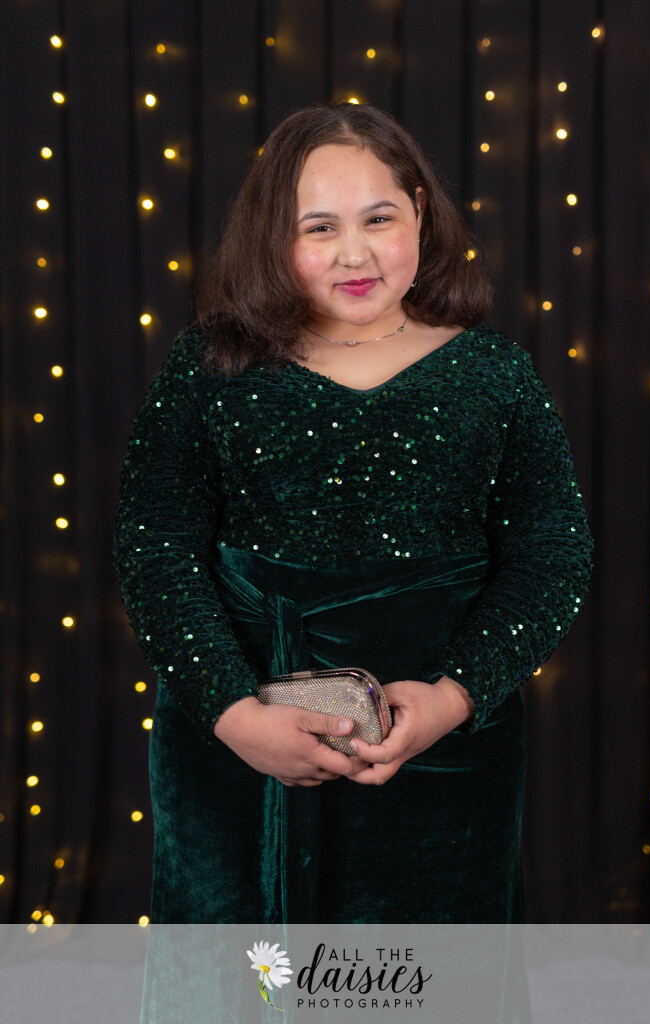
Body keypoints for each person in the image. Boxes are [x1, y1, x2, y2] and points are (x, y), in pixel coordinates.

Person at [113, 101, 592, 925]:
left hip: (442, 752)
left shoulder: (494, 374)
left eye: (378, 218)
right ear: (273, 238)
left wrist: (451, 699)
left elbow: (552, 556)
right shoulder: (212, 366)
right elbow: (155, 547)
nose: (355, 252)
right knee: (250, 968)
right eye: (319, 228)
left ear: (420, 212)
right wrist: (233, 714)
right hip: (239, 734)